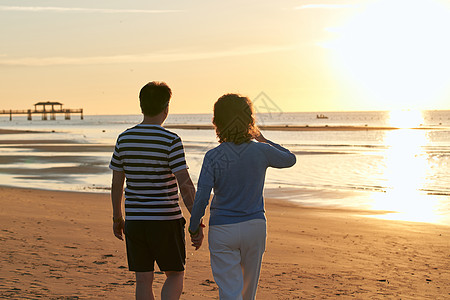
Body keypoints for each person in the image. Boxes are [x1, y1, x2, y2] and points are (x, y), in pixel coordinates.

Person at [188, 93, 296, 300]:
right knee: (248, 294)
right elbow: (289, 159)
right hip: (254, 226)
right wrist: (263, 139)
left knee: (230, 292)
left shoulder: (213, 156)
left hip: (222, 229)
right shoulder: (262, 150)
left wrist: (194, 226)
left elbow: (202, 196)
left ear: (217, 123)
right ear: (250, 121)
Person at [109, 81, 204, 300]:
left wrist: (117, 217)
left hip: (136, 220)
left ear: (141, 106)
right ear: (166, 108)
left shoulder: (124, 138)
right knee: (175, 274)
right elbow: (185, 184)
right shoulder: (171, 140)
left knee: (143, 279)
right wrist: (196, 218)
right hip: (165, 221)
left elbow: (117, 183)